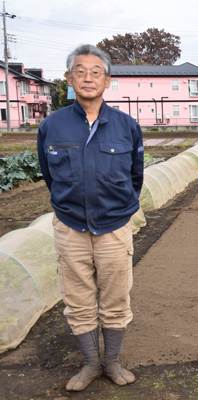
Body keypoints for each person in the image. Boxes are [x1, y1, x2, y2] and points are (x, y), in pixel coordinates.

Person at [37, 44, 144, 391]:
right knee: (77, 300)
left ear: (107, 80)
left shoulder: (126, 126)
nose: (87, 77)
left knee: (116, 298)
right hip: (70, 227)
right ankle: (90, 364)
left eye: (95, 72)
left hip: (114, 227)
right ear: (69, 80)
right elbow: (48, 175)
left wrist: (117, 209)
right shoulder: (52, 125)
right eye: (79, 71)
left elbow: (135, 177)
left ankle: (111, 361)